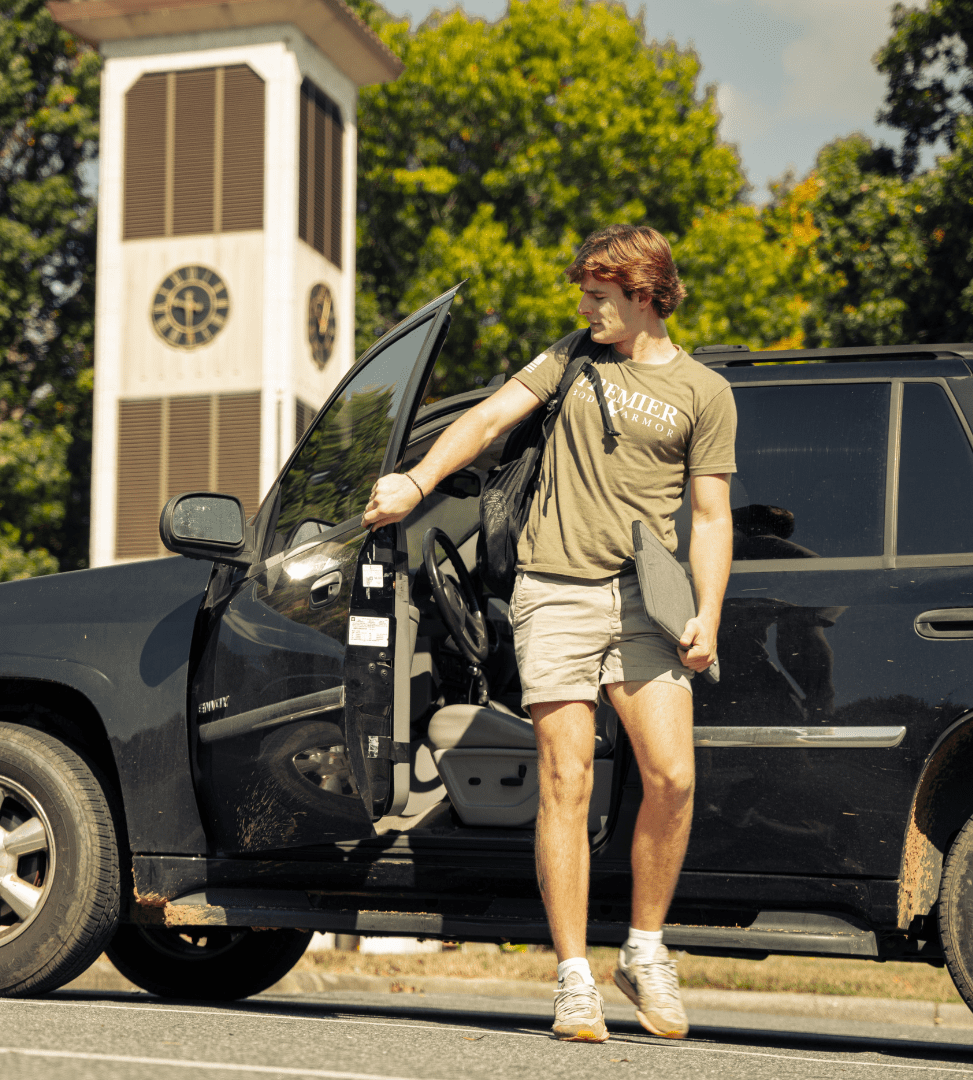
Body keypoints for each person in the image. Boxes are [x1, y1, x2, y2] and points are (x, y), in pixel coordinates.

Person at [362, 224, 736, 1043]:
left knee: (671, 777)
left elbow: (710, 516)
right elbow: (493, 417)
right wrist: (418, 481)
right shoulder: (570, 357)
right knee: (565, 780)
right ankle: (573, 977)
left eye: (598, 296)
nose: (584, 308)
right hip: (555, 592)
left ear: (644, 295)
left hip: (649, 603)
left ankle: (644, 950)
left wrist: (706, 609)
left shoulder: (704, 392)